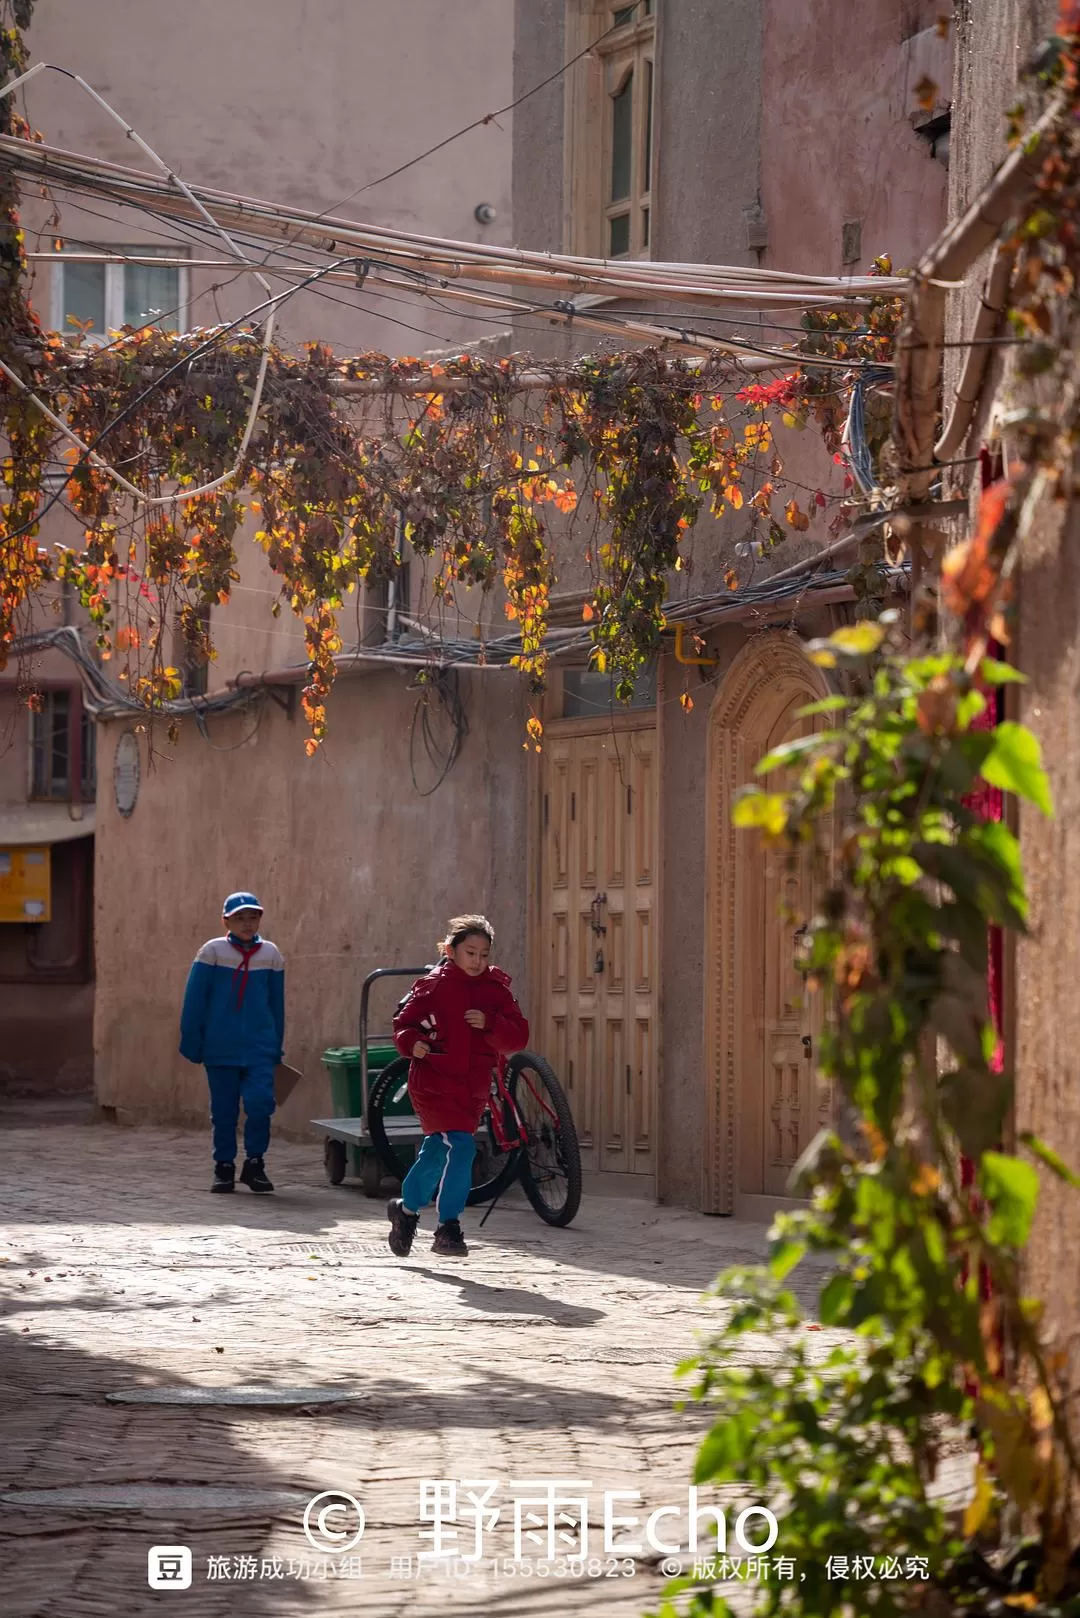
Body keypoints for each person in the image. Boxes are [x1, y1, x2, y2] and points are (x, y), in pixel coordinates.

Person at [388, 914, 528, 1258]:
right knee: (461, 1148)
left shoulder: (496, 991)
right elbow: (403, 1024)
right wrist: (412, 1043)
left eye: (484, 954)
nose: (478, 961)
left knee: (438, 1150)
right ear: (450, 950)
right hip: (434, 1083)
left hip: (472, 1087)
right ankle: (448, 1226)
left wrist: (490, 1022)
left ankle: (406, 1210)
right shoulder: (432, 986)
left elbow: (519, 1036)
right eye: (470, 953)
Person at [179, 891, 285, 1195]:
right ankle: (223, 1166)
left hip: (260, 1048)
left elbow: (276, 1005)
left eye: (253, 916)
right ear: (225, 920)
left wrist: (276, 1044)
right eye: (239, 917)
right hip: (220, 1046)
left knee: (261, 1103)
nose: (247, 923)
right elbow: (195, 1000)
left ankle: (255, 1163)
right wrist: (193, 1040)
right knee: (224, 1111)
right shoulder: (212, 952)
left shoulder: (271, 955)